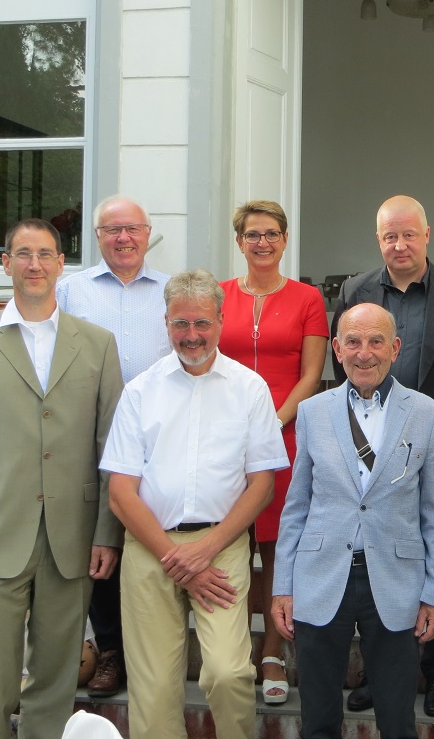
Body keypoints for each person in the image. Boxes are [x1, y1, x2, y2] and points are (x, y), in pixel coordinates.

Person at [0, 218, 124, 739]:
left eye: (46, 254)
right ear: (6, 264)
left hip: (72, 534)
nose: (35, 264)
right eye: (24, 254)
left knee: (57, 678)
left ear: (61, 265)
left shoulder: (97, 344)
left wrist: (106, 532)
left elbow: (108, 447)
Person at [100, 269, 288, 739]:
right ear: (165, 323)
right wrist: (174, 556)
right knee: (155, 690)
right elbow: (121, 493)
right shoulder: (140, 391)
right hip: (150, 547)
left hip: (221, 546)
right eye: (181, 324)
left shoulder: (250, 388)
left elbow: (261, 485)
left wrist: (203, 553)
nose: (191, 335)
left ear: (221, 322)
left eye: (201, 324)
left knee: (229, 673)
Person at [331, 195, 434, 716]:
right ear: (378, 240)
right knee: (376, 562)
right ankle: (382, 674)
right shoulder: (355, 291)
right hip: (370, 459)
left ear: (427, 234)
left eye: (408, 234)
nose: (399, 245)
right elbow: (345, 374)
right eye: (388, 236)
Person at [272, 303, 434, 739]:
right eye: (352, 341)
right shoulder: (314, 412)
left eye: (376, 341)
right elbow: (297, 505)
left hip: (396, 582)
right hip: (320, 577)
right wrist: (283, 584)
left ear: (395, 348)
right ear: (336, 349)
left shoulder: (429, 414)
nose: (364, 352)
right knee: (317, 720)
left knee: (397, 721)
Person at [57, 194, 171, 697]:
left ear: (148, 235)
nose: (123, 238)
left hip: (159, 437)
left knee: (149, 536)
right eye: (111, 230)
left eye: (132, 229)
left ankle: (150, 646)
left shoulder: (172, 292)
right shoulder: (68, 292)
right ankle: (109, 650)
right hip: (87, 435)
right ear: (97, 237)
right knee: (98, 540)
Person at [219, 200, 329, 705]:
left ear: (285, 239)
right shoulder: (218, 296)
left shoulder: (308, 298)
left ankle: (272, 650)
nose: (262, 242)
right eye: (252, 234)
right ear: (239, 242)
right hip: (224, 439)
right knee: (228, 545)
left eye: (272, 234)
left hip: (285, 435)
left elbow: (311, 375)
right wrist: (241, 429)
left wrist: (273, 422)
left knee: (276, 548)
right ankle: (231, 649)